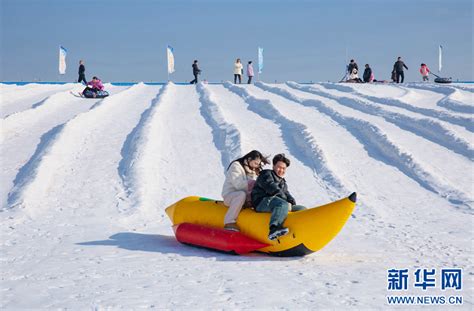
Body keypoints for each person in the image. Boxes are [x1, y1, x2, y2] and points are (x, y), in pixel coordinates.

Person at [251, 153, 307, 240]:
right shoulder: (266, 174)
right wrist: (284, 198)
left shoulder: (282, 182)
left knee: (301, 209)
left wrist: (291, 201)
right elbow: (271, 186)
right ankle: (274, 229)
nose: (281, 170)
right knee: (283, 204)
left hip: (275, 202)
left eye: (283, 168)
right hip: (261, 201)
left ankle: (302, 229)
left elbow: (286, 193)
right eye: (279, 167)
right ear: (273, 166)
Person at [222, 150, 269, 231]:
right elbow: (238, 184)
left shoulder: (252, 171)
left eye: (258, 164)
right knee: (241, 194)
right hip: (230, 196)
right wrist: (253, 183)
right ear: (249, 159)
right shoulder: (236, 166)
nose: (256, 166)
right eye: (255, 163)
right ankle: (229, 221)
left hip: (243, 198)